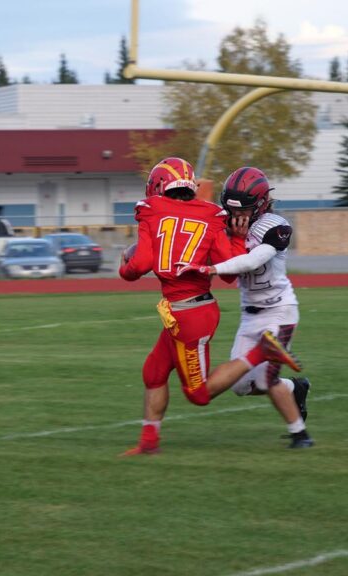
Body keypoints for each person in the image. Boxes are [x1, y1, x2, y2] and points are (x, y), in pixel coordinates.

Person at [119, 157, 302, 456]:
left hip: (190, 314)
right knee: (154, 371)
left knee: (199, 394)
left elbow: (138, 266)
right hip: (189, 310)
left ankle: (263, 351)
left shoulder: (150, 210)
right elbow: (229, 276)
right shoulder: (211, 215)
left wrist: (123, 266)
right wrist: (240, 238)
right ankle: (148, 444)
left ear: (158, 186)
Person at [176, 167, 314, 449]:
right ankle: (296, 388)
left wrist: (209, 268)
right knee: (243, 386)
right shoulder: (223, 223)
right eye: (230, 209)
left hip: (279, 311)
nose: (236, 216)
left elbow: (252, 261)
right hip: (249, 314)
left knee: (267, 377)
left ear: (261, 204)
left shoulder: (276, 226)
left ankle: (301, 435)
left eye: (245, 209)